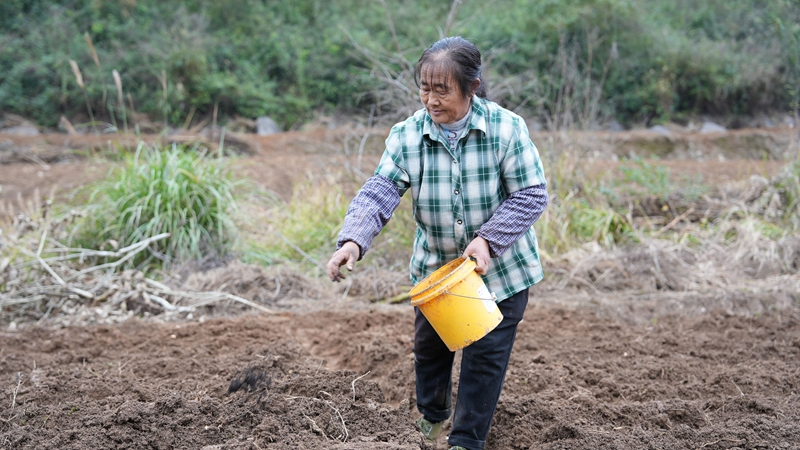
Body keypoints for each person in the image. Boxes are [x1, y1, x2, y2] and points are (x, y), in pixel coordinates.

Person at [326, 36, 549, 450]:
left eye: (442, 89)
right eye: (425, 88)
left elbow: (532, 194)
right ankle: (433, 416)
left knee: (484, 359)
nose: (430, 99)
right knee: (430, 352)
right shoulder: (408, 136)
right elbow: (380, 191)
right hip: (439, 275)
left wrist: (488, 240)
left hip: (501, 273)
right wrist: (353, 241)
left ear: (472, 87)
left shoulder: (506, 128)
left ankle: (465, 439)